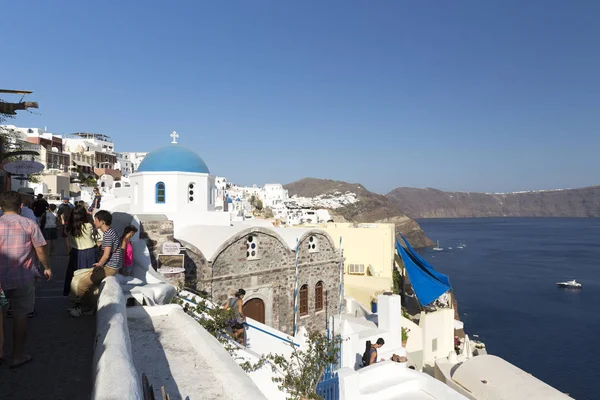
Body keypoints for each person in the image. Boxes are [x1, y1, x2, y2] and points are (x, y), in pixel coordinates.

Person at [0, 191, 52, 369]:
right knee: (20, 315)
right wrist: (47, 267)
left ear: (1, 207)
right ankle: (17, 356)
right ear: (21, 206)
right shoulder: (29, 224)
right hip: (23, 277)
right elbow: (40, 249)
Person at [70, 210, 121, 317]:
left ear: (102, 222)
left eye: (96, 220)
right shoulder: (111, 231)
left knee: (82, 285)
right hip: (112, 266)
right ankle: (92, 307)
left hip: (109, 268)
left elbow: (106, 254)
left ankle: (85, 308)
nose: (94, 222)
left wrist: (99, 265)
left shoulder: (107, 234)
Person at [64, 205, 102, 297]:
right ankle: (90, 295)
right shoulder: (89, 226)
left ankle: (74, 296)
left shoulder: (68, 228)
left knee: (75, 275)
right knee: (90, 275)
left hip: (76, 253)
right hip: (90, 253)